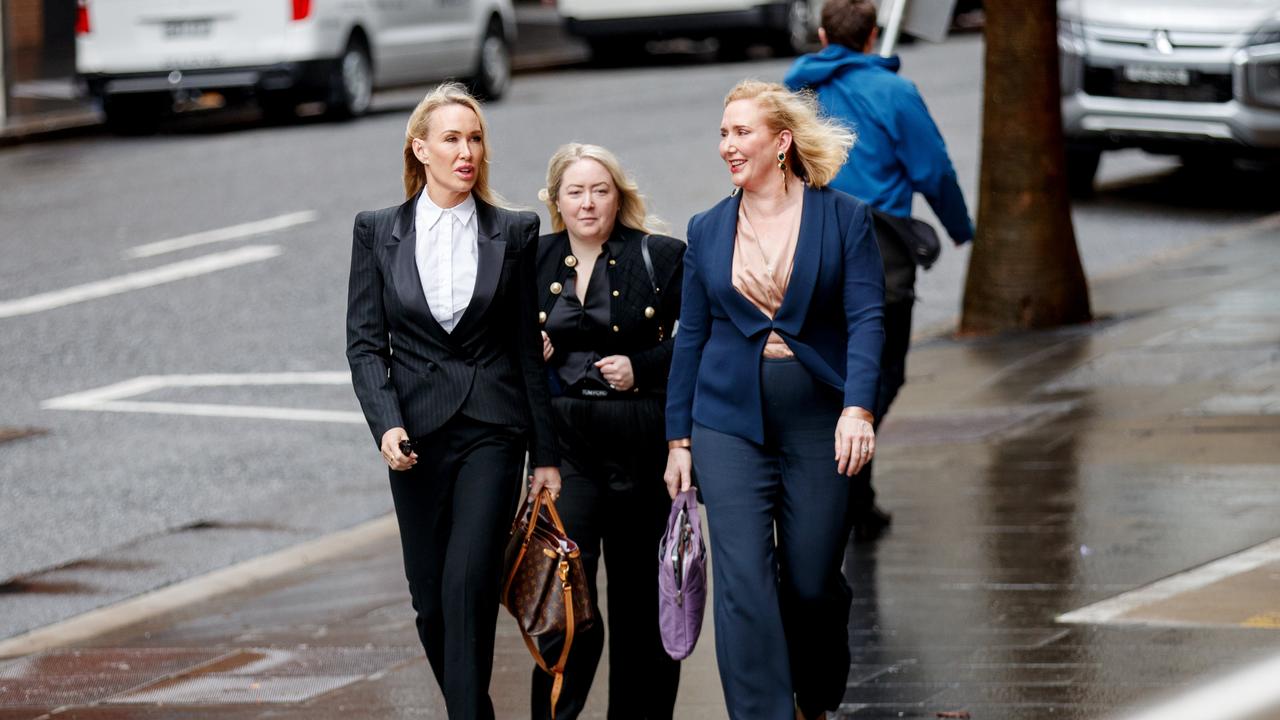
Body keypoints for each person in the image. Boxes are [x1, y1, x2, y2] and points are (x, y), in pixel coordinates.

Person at [663, 80, 885, 720]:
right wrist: (679, 440)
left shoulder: (843, 217)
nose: (729, 145)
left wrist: (858, 408)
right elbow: (692, 338)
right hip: (726, 421)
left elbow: (868, 318)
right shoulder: (708, 229)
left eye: (742, 133)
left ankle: (815, 691)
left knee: (812, 581)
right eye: (724, 133)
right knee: (743, 582)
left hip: (820, 415)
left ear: (781, 141)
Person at [345, 81, 561, 720]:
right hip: (415, 437)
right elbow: (364, 346)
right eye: (451, 139)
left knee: (469, 585)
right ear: (421, 148)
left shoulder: (513, 231)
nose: (466, 151)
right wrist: (385, 426)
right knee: (431, 603)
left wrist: (544, 455)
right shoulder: (376, 231)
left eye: (474, 139)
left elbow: (526, 349)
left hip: (494, 428)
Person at [784, 0, 975, 541]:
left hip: (811, 245)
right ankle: (841, 480)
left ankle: (853, 493)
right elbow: (933, 169)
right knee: (883, 372)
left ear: (822, 34)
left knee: (831, 368)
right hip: (881, 249)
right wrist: (960, 229)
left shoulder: (798, 96)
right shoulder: (895, 94)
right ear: (872, 36)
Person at [530, 143, 685, 719]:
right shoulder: (533, 259)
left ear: (619, 197)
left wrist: (640, 367)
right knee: (567, 605)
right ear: (556, 201)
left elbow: (695, 340)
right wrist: (531, 347)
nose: (589, 203)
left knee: (643, 607)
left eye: (600, 190)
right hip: (568, 448)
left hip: (642, 441)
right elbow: (500, 349)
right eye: (576, 191)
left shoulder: (662, 256)